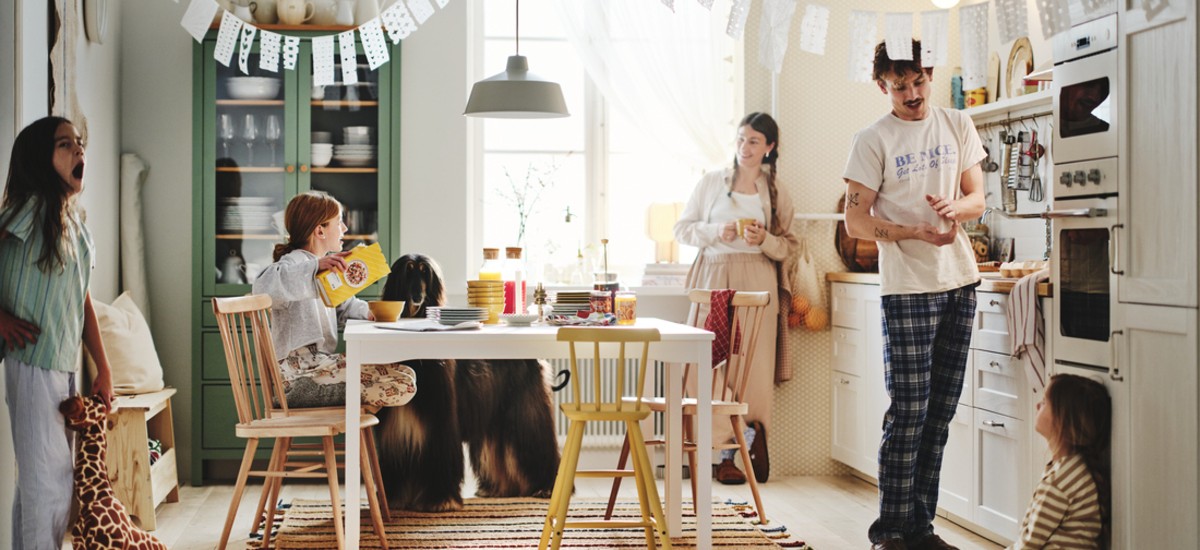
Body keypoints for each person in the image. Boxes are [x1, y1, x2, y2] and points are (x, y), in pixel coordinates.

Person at [842, 40, 986, 550]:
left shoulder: (957, 124)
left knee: (940, 413)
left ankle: (921, 528)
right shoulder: (872, 139)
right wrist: (914, 232)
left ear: (930, 74)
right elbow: (855, 219)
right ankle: (890, 532)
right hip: (907, 288)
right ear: (882, 86)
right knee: (909, 411)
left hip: (960, 281)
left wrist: (955, 208)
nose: (911, 93)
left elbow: (977, 199)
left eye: (918, 81)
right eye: (898, 85)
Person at [0, 116, 115, 550]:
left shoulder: (73, 224)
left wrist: (102, 368)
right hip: (31, 365)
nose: (78, 151)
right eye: (64, 144)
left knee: (39, 487)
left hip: (61, 366)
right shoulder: (26, 210)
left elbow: (82, 300)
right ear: (38, 160)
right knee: (48, 490)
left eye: (79, 143)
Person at [674, 111, 798, 485]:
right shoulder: (711, 182)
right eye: (741, 139)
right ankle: (745, 436)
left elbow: (790, 247)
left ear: (770, 148)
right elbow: (682, 229)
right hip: (712, 276)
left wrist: (765, 241)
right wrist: (716, 231)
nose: (745, 148)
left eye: (754, 141)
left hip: (757, 281)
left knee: (750, 372)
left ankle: (729, 459)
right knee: (700, 365)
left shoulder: (776, 191)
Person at [253, 191, 416, 408]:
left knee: (405, 373)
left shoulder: (325, 267)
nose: (345, 229)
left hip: (322, 366)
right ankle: (307, 393)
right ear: (320, 230)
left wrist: (369, 312)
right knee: (402, 384)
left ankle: (325, 392)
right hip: (297, 372)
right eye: (339, 222)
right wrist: (314, 267)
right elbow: (263, 287)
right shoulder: (292, 264)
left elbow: (343, 304)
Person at [1008, 373, 1110, 550]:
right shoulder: (1076, 467)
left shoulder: (1059, 481)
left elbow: (1029, 544)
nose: (1037, 405)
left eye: (1045, 402)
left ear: (1062, 421)